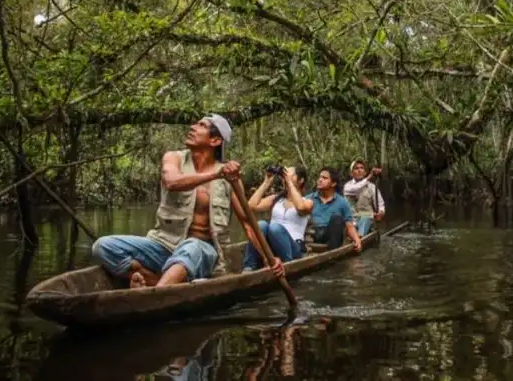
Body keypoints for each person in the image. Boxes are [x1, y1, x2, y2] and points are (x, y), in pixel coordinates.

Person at [90, 114, 285, 288]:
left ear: (215, 140)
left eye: (201, 125)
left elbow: (247, 223)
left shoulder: (230, 178)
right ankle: (157, 282)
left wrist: (269, 259)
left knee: (191, 246)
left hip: (203, 251)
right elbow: (171, 182)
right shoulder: (174, 158)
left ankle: (155, 295)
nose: (192, 127)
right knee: (102, 246)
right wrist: (216, 174)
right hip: (163, 244)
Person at [242, 166, 313, 272]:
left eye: (289, 175)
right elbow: (251, 206)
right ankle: (249, 266)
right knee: (261, 224)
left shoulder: (307, 202)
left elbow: (300, 208)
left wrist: (289, 183)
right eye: (284, 174)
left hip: (293, 248)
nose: (285, 177)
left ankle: (287, 265)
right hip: (271, 247)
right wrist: (267, 182)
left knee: (274, 227)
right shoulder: (276, 199)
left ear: (301, 180)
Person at [304, 167, 363, 251]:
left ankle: (332, 254)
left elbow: (349, 225)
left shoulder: (342, 202)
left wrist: (357, 239)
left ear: (333, 183)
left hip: (331, 237)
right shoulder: (308, 199)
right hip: (313, 235)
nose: (320, 180)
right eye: (320, 177)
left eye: (324, 178)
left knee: (337, 219)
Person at [342, 159, 385, 236]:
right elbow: (356, 188)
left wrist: (381, 212)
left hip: (366, 216)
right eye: (356, 168)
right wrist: (370, 176)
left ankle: (360, 237)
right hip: (351, 219)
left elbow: (380, 204)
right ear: (351, 173)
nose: (359, 170)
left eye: (361, 168)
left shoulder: (372, 187)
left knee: (367, 216)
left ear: (365, 172)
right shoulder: (347, 186)